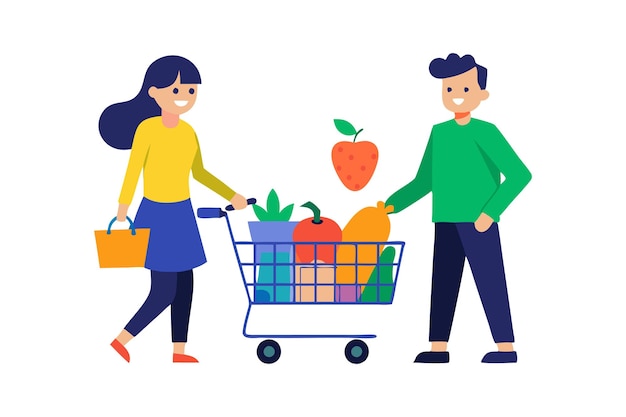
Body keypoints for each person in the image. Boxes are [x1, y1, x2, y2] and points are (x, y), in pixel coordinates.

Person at [98, 55, 248, 363]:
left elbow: (200, 173)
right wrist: (123, 209)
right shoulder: (147, 130)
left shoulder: (188, 132)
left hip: (182, 215)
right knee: (164, 290)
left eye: (191, 91)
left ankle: (179, 351)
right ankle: (122, 339)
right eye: (177, 90)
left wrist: (233, 195)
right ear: (153, 92)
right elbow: (133, 170)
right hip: (156, 216)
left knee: (187, 285)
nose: (184, 98)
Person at [386, 53, 531, 363]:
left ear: (482, 94)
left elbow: (520, 175)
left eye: (464, 89)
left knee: (491, 282)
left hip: (479, 221)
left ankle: (506, 348)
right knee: (443, 283)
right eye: (449, 90)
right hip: (446, 220)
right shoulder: (439, 133)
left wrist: (490, 212)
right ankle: (439, 348)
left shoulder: (486, 131)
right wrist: (392, 204)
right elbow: (424, 180)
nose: (455, 97)